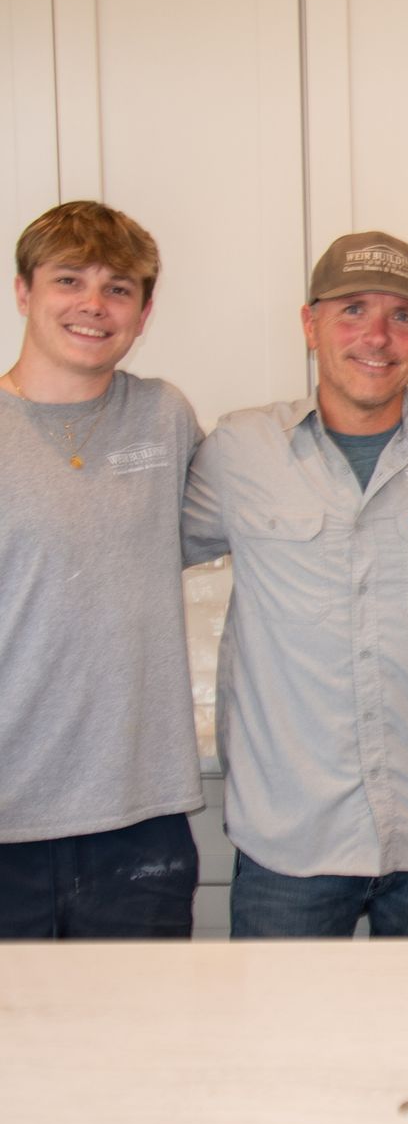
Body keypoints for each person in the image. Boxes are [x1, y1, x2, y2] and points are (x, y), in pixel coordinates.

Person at [182, 231, 408, 937]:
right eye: (352, 310)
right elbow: (123, 544)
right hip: (291, 841)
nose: (378, 336)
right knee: (280, 1048)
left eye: (404, 316)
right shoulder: (238, 452)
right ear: (309, 321)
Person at [1, 202, 202, 939]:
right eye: (68, 280)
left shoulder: (163, 416)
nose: (93, 304)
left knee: (139, 1051)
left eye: (118, 288)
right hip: (7, 815)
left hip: (140, 820)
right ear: (24, 293)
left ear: (144, 314)